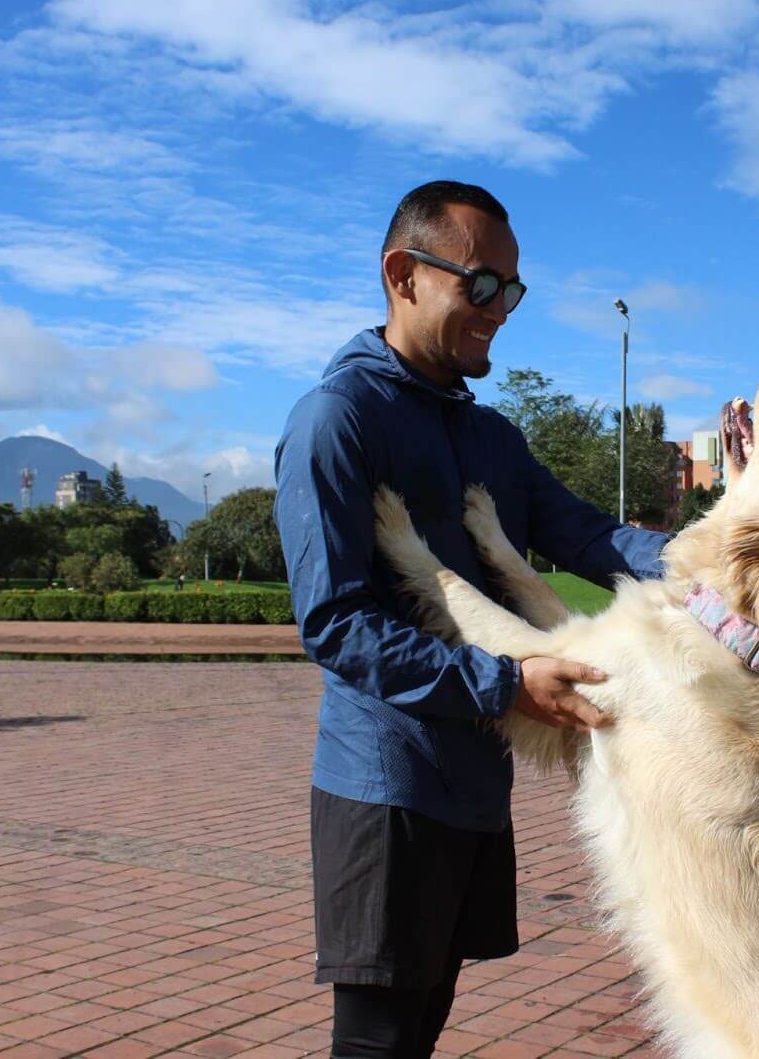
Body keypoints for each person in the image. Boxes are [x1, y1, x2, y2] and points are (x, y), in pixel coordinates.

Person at [274, 181, 667, 1059]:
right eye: (481, 285)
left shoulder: (492, 438)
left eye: (512, 291)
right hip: (385, 787)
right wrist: (506, 683)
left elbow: (587, 534)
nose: (501, 310)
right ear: (403, 274)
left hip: (476, 789)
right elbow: (336, 624)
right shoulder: (335, 423)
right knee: (377, 1042)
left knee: (423, 1029)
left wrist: (714, 565)